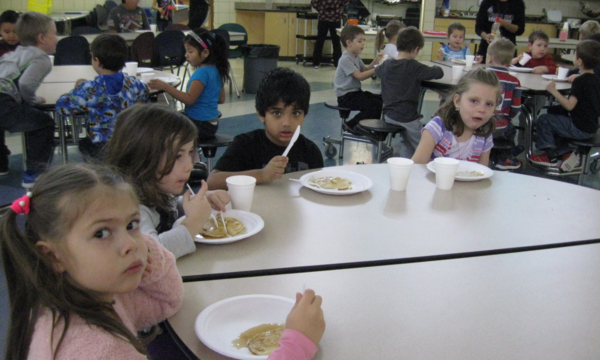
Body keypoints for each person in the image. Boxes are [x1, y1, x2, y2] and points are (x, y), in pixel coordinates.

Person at [0, 163, 184, 359]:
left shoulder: (86, 297)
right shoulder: (102, 350)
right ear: (53, 256)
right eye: (101, 233)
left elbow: (167, 302)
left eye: (131, 224)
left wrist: (147, 250)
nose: (129, 244)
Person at [104, 104, 229, 259]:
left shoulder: (153, 187)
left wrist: (194, 202)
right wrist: (194, 221)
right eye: (177, 156)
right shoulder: (129, 207)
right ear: (142, 157)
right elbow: (150, 255)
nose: (189, 166)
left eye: (190, 153)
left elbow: (166, 210)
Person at [207, 68, 324, 190]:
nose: (287, 123)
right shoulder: (245, 145)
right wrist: (262, 175)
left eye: (296, 113)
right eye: (277, 113)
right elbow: (212, 182)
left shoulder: (311, 152)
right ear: (261, 115)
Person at [55, 34, 149, 159]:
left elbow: (62, 107)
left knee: (84, 144)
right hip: (130, 142)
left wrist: (78, 88)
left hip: (100, 147)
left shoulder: (89, 89)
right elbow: (145, 94)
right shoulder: (135, 84)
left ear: (96, 61)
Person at [0, 12, 56, 187]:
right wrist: (34, 101)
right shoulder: (41, 58)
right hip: (3, 101)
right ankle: (34, 174)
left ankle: (1, 165)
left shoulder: (16, 52)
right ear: (41, 38)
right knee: (44, 122)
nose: (57, 38)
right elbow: (25, 85)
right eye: (54, 34)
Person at [529, 40, 600, 172]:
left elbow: (569, 106)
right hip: (592, 127)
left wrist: (552, 90)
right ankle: (566, 153)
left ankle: (549, 156)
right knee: (557, 115)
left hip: (578, 127)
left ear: (579, 61)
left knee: (545, 120)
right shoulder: (596, 79)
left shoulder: (580, 81)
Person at [149, 28, 230, 141]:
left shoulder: (201, 73)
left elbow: (189, 99)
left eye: (190, 51)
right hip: (212, 125)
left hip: (199, 125)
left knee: (162, 125)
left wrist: (165, 87)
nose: (186, 55)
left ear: (205, 53)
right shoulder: (217, 70)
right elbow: (221, 99)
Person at [374, 27, 443, 156]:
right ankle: (429, 162)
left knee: (408, 142)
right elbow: (438, 72)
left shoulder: (387, 64)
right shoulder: (414, 67)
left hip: (388, 115)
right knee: (425, 147)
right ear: (416, 50)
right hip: (407, 118)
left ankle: (408, 159)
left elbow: (377, 71)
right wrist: (438, 63)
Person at [412, 68, 500, 166]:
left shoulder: (485, 134)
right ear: (457, 101)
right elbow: (417, 168)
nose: (482, 109)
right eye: (474, 101)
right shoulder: (437, 128)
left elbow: (482, 171)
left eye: (489, 104)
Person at [334, 24, 384, 134]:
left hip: (355, 93)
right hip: (346, 97)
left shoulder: (355, 56)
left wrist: (375, 62)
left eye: (363, 40)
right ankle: (352, 125)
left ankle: (367, 126)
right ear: (349, 43)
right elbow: (360, 76)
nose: (363, 43)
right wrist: (378, 69)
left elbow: (365, 69)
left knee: (380, 100)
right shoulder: (345, 59)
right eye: (360, 41)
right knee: (375, 105)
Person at [486, 38, 523, 170]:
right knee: (510, 129)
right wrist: (507, 117)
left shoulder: (481, 76)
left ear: (489, 58)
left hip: (479, 123)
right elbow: (516, 108)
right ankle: (504, 158)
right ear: (509, 61)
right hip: (501, 126)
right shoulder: (514, 81)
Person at [310, 0, 349, 68]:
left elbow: (314, 3)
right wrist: (339, 9)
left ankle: (316, 63)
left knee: (320, 41)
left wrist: (321, 10)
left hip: (323, 18)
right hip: (335, 18)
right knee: (336, 42)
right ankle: (337, 64)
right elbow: (345, 2)